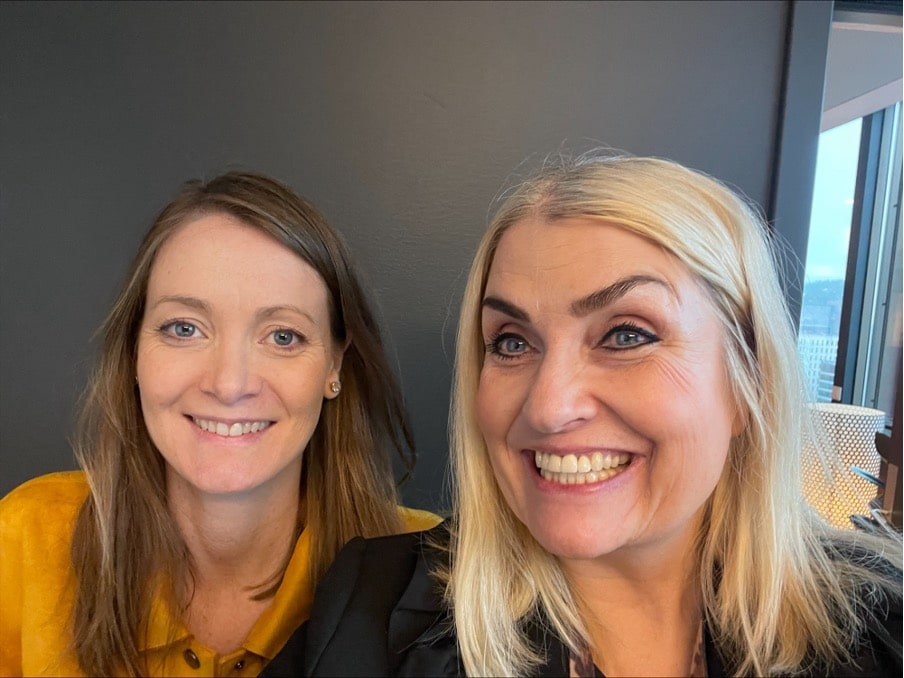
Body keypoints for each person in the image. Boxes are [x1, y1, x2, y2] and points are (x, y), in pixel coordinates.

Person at [263, 152, 902, 677]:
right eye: (511, 343)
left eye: (626, 335)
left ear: (749, 382)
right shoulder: (370, 609)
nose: (548, 407)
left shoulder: (881, 629)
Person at [0, 171, 440, 677]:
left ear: (334, 366)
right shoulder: (24, 542)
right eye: (184, 328)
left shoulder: (435, 575)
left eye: (283, 336)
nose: (230, 384)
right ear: (134, 352)